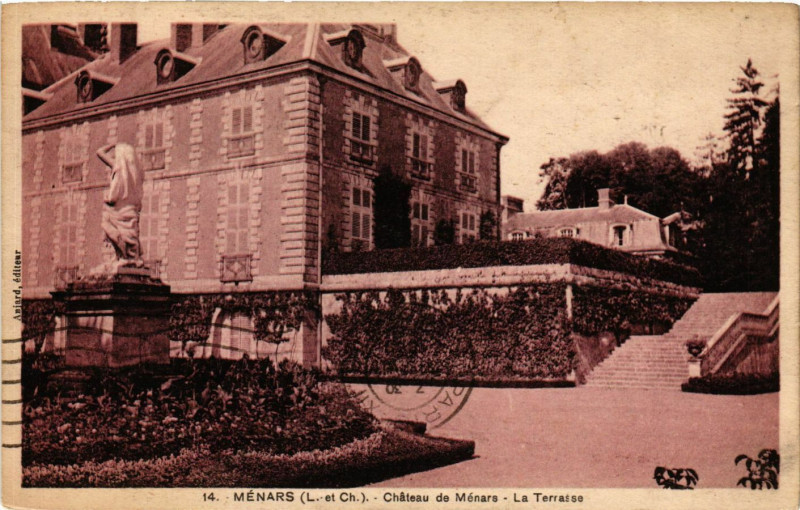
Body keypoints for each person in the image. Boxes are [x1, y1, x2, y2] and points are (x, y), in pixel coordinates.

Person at [96, 143, 144, 268]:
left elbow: (100, 152)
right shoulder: (137, 174)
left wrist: (112, 145)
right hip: (130, 210)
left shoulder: (118, 168)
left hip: (119, 210)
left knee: (109, 226)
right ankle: (123, 256)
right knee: (127, 234)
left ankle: (124, 257)